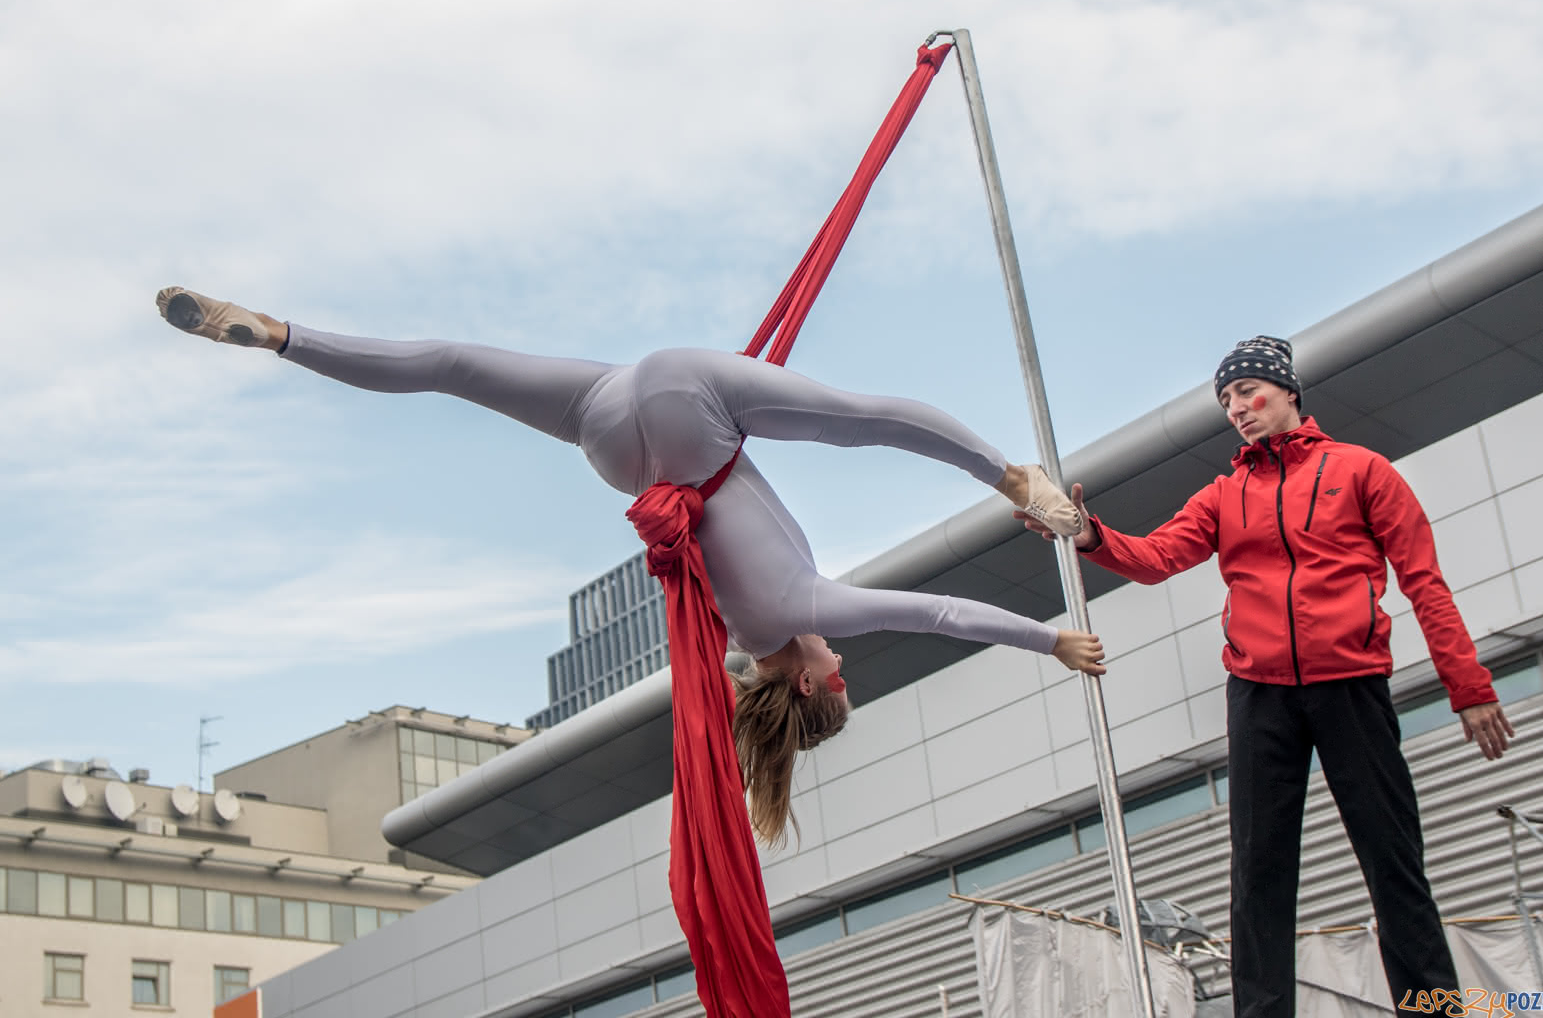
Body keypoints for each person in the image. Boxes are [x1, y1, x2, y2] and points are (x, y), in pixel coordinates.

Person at [157, 287, 1108, 845]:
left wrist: (1051, 640)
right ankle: (280, 343)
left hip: (684, 403)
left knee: (873, 418)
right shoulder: (737, 635)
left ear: (828, 679)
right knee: (455, 368)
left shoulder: (801, 608)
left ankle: (1011, 476)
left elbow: (943, 616)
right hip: (616, 444)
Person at [1017, 335, 1515, 1018]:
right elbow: (1157, 556)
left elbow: (1425, 581)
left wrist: (1470, 687)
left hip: (1351, 686)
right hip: (1259, 696)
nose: (1237, 409)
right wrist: (1085, 533)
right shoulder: (1225, 494)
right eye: (1226, 400)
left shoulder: (1363, 470)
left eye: (1247, 391)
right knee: (1259, 880)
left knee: (1394, 868)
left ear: (1287, 391)